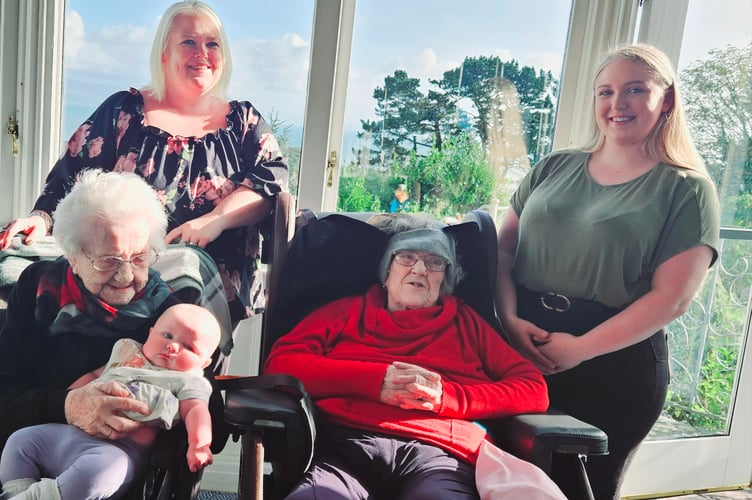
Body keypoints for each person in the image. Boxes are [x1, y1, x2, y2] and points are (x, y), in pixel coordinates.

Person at [495, 44, 721, 500]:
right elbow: (501, 249)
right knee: (503, 482)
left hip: (615, 363)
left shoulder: (687, 189)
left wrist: (580, 349)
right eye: (606, 91)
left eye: (635, 90)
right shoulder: (554, 166)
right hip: (518, 345)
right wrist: (509, 321)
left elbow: (672, 298)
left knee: (581, 491)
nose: (617, 104)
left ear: (668, 99)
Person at [0, 0, 288, 322]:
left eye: (212, 43)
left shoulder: (244, 122)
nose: (202, 53)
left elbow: (271, 183)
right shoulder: (123, 111)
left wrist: (215, 220)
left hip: (202, 304)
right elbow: (73, 174)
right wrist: (42, 218)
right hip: (112, 291)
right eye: (188, 42)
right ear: (164, 52)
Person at [264, 220, 566, 500]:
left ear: (446, 278)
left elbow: (532, 388)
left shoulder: (468, 324)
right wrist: (375, 381)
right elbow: (281, 363)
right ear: (386, 271)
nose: (420, 269)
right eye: (406, 257)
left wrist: (449, 398)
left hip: (440, 451)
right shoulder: (344, 312)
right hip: (345, 444)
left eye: (435, 262)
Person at [0, 170, 188, 497]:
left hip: (108, 469)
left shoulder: (168, 316)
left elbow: (203, 398)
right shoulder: (38, 288)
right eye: (109, 261)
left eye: (140, 257)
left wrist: (154, 417)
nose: (127, 274)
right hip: (25, 448)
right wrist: (69, 406)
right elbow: (5, 391)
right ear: (73, 256)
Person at [0, 303, 221, 500]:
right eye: (167, 335)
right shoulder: (126, 352)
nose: (172, 347)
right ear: (150, 333)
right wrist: (68, 398)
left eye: (189, 347)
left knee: (94, 476)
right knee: (21, 441)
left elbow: (196, 412)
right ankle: (17, 493)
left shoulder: (187, 381)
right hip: (71, 432)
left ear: (204, 362)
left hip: (119, 451)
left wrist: (199, 445)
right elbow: (94, 377)